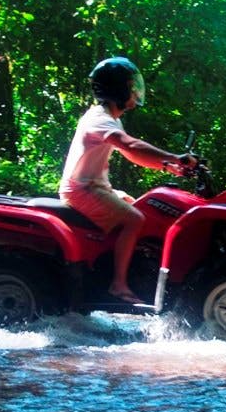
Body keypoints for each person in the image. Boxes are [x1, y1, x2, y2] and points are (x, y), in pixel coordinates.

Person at [59, 56, 197, 305]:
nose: (135, 93)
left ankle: (117, 269)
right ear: (118, 88)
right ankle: (118, 285)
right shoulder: (99, 119)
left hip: (94, 186)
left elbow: (132, 154)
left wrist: (169, 166)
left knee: (139, 206)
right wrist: (175, 156)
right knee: (134, 219)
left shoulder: (111, 119)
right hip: (81, 189)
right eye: (131, 87)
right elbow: (130, 144)